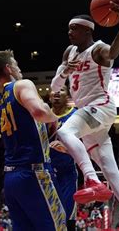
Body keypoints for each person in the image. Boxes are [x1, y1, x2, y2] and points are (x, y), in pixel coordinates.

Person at [50, 0, 119, 230]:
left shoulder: (97, 49)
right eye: (68, 28)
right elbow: (55, 88)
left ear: (87, 31)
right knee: (111, 170)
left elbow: (114, 52)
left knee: (65, 131)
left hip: (100, 105)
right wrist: (64, 72)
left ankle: (91, 178)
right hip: (86, 114)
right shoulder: (69, 52)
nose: (69, 32)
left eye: (74, 28)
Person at [0, 50, 66, 230]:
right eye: (15, 64)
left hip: (11, 179)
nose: (19, 68)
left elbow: (23, 130)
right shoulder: (21, 85)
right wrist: (54, 117)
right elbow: (38, 113)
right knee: (57, 227)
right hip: (35, 173)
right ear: (8, 68)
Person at [48, 85, 78, 229]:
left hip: (67, 173)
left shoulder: (76, 115)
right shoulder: (42, 115)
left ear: (68, 95)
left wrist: (68, 149)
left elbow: (87, 144)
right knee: (48, 218)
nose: (57, 92)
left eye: (62, 89)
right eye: (54, 90)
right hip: (46, 174)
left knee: (67, 218)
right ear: (49, 96)